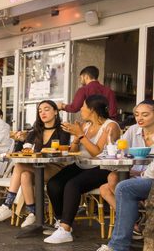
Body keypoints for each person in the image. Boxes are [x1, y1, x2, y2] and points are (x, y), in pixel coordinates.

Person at [44, 94, 121, 244]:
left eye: (83, 106)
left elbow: (97, 153)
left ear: (92, 110)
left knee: (73, 185)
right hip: (82, 164)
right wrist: (76, 136)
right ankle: (61, 222)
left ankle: (66, 230)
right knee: (54, 183)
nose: (80, 109)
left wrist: (80, 134)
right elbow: (74, 150)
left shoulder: (110, 126)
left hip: (102, 167)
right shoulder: (85, 126)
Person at [0, 100, 71, 226]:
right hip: (37, 167)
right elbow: (23, 151)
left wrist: (45, 150)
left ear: (55, 112)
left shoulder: (63, 130)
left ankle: (7, 205)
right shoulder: (35, 131)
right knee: (24, 175)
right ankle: (33, 213)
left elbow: (63, 150)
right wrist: (21, 141)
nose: (42, 113)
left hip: (56, 168)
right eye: (40, 111)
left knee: (20, 166)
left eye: (46, 109)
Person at [98, 100, 154, 236]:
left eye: (145, 115)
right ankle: (134, 219)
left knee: (117, 186)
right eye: (137, 114)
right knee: (107, 184)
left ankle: (131, 219)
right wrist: (110, 141)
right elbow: (119, 148)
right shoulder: (134, 129)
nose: (139, 118)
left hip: (149, 176)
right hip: (135, 174)